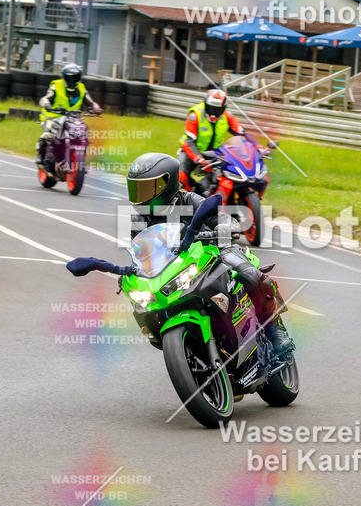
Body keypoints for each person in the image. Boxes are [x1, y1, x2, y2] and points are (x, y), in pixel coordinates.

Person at [124, 152, 293, 354]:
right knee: (143, 304)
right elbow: (142, 254)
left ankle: (275, 329)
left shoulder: (188, 200)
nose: (139, 196)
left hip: (212, 251)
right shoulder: (139, 221)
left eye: (145, 189)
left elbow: (221, 217)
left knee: (248, 274)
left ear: (167, 184)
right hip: (175, 268)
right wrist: (132, 272)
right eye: (136, 189)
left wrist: (224, 227)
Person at [177, 88, 264, 197]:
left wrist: (258, 146)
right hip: (191, 152)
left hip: (215, 154)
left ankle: (223, 199)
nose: (214, 113)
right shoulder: (195, 116)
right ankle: (192, 195)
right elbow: (189, 141)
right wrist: (198, 158)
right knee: (180, 176)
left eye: (217, 109)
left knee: (224, 177)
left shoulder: (228, 117)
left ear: (223, 108)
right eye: (211, 108)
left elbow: (242, 133)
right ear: (205, 104)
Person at [37, 64, 101, 165]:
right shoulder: (56, 85)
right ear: (64, 76)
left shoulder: (81, 88)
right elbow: (45, 98)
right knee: (47, 135)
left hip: (74, 118)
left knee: (84, 131)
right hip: (54, 116)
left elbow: (91, 102)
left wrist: (96, 108)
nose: (71, 80)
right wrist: (47, 105)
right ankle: (41, 156)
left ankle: (80, 158)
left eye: (74, 77)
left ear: (79, 77)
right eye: (69, 77)